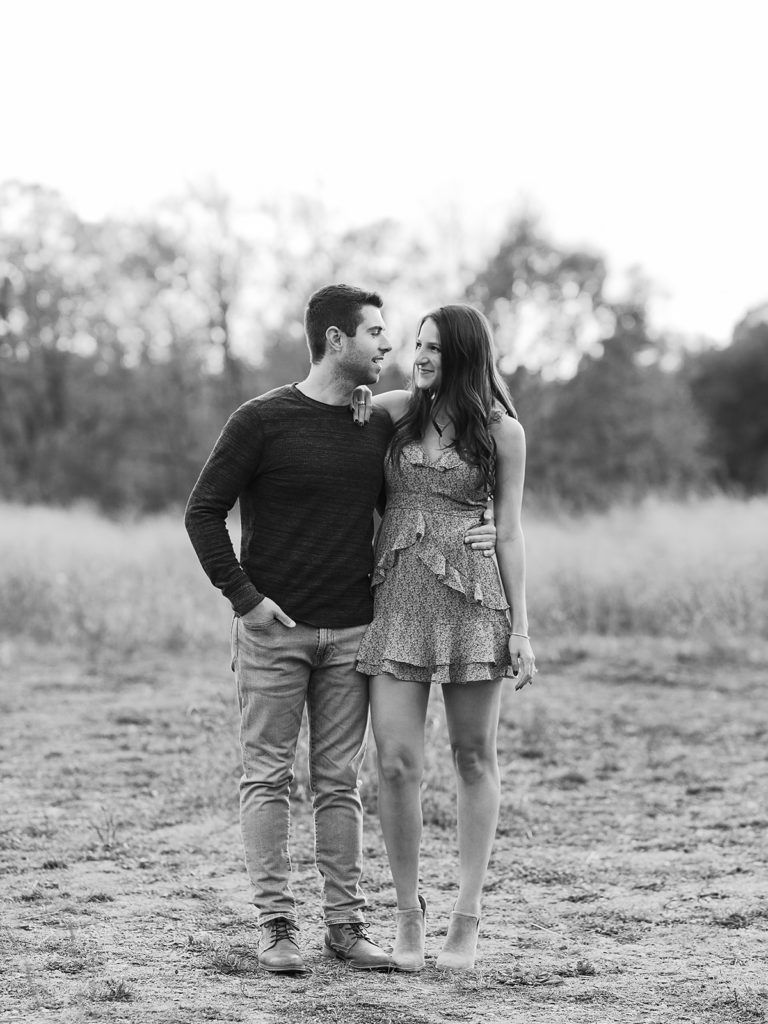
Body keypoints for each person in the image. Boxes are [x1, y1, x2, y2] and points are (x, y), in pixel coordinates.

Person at [184, 284, 497, 975]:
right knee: (267, 778)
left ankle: (345, 928)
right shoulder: (260, 419)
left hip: (355, 629)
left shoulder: (378, 424)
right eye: (377, 333)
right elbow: (202, 512)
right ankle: (276, 926)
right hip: (274, 632)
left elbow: (438, 476)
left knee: (338, 783)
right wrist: (245, 599)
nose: (390, 345)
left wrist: (490, 519)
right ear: (336, 339)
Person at [351, 303, 536, 973]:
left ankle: (467, 916)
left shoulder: (503, 431)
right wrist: (356, 396)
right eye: (417, 346)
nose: (420, 357)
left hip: (471, 603)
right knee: (396, 762)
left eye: (433, 348)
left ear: (463, 354)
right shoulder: (396, 411)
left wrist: (522, 629)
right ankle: (408, 914)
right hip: (397, 596)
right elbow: (337, 405)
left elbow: (509, 531)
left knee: (473, 757)